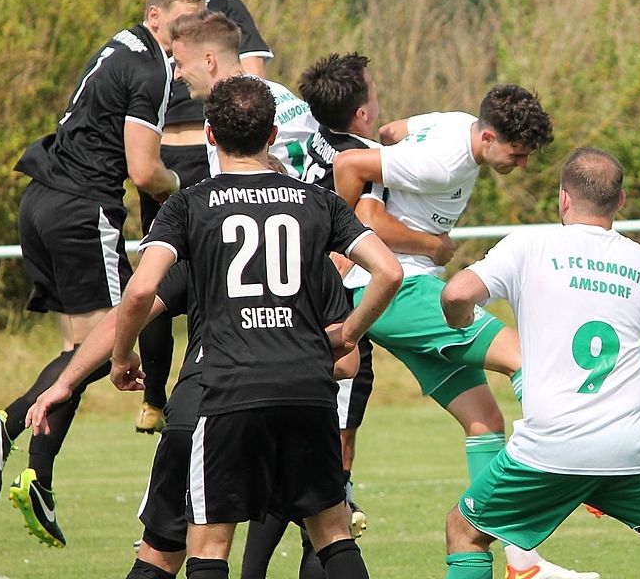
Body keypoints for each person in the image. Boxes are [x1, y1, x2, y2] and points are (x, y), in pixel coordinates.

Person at [111, 75, 402, 579]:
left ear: (209, 135)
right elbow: (389, 271)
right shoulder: (319, 202)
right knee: (332, 530)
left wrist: (122, 355)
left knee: (209, 541)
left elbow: (140, 291)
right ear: (272, 136)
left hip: (227, 389)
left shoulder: (189, 204)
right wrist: (350, 333)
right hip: (309, 386)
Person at [24, 157, 361, 579]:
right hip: (297, 402)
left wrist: (66, 383)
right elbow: (348, 363)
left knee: (167, 554)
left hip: (206, 408)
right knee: (329, 535)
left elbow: (128, 309)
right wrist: (296, 348)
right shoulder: (314, 258)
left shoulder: (201, 236)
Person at [0, 0, 207, 548]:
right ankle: (9, 422)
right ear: (156, 16)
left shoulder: (118, 45)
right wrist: (189, 187)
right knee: (104, 346)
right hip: (82, 210)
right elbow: (146, 171)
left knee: (81, 349)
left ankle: (39, 474)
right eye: (181, 23)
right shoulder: (151, 71)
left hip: (42, 199)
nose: (188, 35)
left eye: (196, 26)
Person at [332, 86, 599, 579]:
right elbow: (351, 169)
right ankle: (575, 456)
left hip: (403, 289)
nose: (519, 166)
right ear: (490, 136)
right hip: (397, 289)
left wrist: (391, 190)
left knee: (484, 421)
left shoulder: (454, 123)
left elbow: (391, 132)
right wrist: (416, 245)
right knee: (526, 360)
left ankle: (521, 563)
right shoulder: (444, 161)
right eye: (516, 155)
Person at [440, 147, 640, 579]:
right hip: (637, 449)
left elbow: (456, 294)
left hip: (553, 445)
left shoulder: (529, 246)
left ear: (563, 199)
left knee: (464, 532)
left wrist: (460, 322)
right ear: (620, 201)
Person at [238, 52, 459, 579]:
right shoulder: (361, 156)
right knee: (329, 472)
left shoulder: (318, 138)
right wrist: (431, 245)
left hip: (285, 303)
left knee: (293, 457)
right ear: (360, 114)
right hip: (330, 309)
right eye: (374, 92)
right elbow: (371, 220)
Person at [135, 0, 275, 434]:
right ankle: (202, 380)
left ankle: (155, 397)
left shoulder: (150, 26)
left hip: (156, 161)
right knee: (208, 277)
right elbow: (252, 89)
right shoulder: (225, 15)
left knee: (156, 272)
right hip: (205, 153)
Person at [170, 9, 317, 179]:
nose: (177, 75)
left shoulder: (226, 117)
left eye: (180, 64)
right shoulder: (280, 92)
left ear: (209, 61)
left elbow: (231, 192)